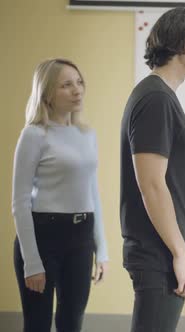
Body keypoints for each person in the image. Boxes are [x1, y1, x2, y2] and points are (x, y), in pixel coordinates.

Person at [119, 7, 185, 331]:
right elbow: (152, 185)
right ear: (178, 42)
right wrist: (180, 255)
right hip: (159, 255)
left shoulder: (161, 96)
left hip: (163, 254)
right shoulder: (155, 99)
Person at [12, 58, 109, 332]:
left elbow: (92, 192)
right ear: (47, 94)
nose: (77, 90)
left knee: (71, 323)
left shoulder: (86, 134)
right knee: (38, 324)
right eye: (67, 85)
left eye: (79, 83)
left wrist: (101, 248)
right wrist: (32, 262)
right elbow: (20, 201)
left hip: (80, 237)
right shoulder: (34, 135)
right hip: (42, 237)